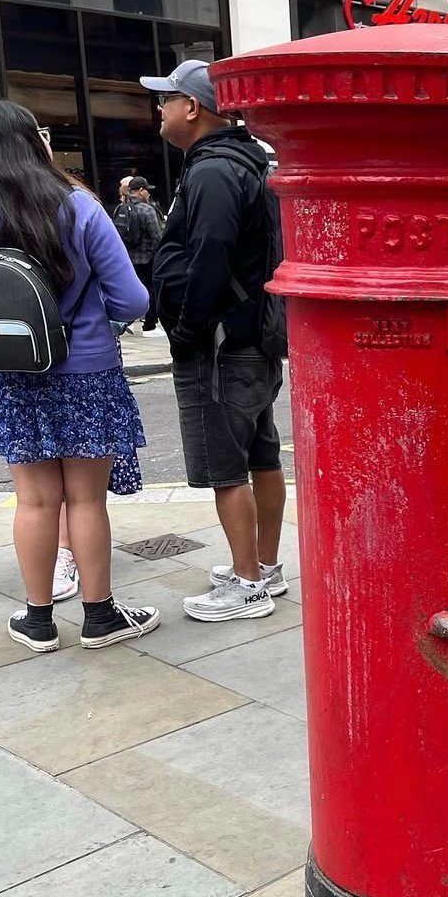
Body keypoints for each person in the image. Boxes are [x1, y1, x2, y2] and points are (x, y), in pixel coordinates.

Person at [0, 100, 160, 653]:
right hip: (85, 370)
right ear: (35, 143)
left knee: (33, 501)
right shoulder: (80, 205)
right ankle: (100, 616)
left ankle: (37, 621)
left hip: (9, 371)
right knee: (85, 500)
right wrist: (89, 319)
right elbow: (132, 298)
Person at [142, 59, 286, 622]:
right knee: (261, 451)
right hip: (253, 335)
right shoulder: (248, 163)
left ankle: (246, 584)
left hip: (222, 343)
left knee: (227, 464)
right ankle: (264, 567)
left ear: (192, 107)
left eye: (166, 99)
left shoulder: (212, 171)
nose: (160, 109)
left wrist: (186, 331)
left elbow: (209, 258)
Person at [113, 176, 164, 332]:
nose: (149, 194)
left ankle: (126, 321)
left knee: (130, 288)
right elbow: (157, 236)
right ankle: (149, 324)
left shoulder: (120, 208)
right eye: (147, 190)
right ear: (141, 191)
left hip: (128, 258)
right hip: (147, 258)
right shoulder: (147, 209)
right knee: (150, 290)